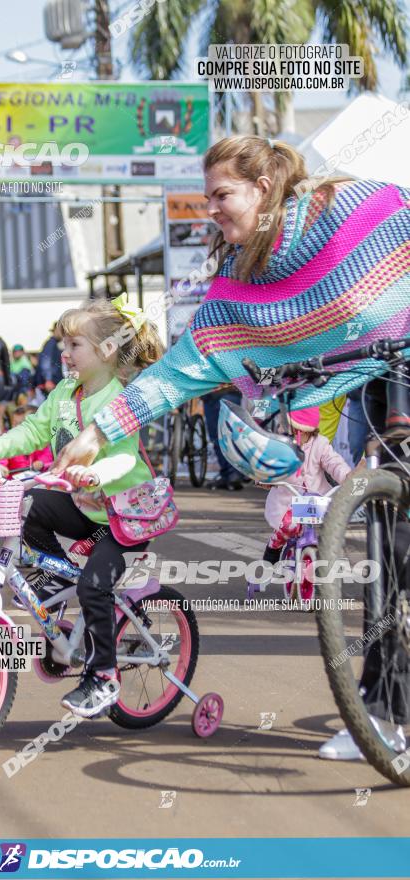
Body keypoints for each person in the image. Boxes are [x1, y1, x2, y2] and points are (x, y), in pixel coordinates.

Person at [52, 135, 410, 754]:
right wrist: (96, 430)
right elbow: (182, 368)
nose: (211, 209)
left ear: (263, 189)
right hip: (376, 389)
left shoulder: (359, 209)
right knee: (391, 558)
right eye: (207, 196)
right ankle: (386, 712)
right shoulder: (242, 285)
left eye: (222, 195)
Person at [0, 298, 163, 717]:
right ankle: (55, 581)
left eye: (74, 344)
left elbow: (127, 457)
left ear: (107, 351)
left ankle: (104, 677)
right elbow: (33, 431)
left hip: (124, 516)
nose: (64, 351)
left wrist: (97, 474)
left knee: (95, 586)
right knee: (29, 502)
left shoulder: (118, 399)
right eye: (63, 343)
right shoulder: (63, 392)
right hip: (84, 508)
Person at [259, 406, 352, 573]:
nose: (297, 437)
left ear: (311, 431)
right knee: (288, 525)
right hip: (288, 502)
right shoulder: (281, 444)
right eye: (293, 432)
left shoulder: (321, 444)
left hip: (316, 499)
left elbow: (334, 463)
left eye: (300, 433)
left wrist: (347, 477)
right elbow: (269, 465)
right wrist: (266, 478)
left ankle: (323, 559)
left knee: (332, 528)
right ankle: (274, 547)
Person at [203, 385, 244, 490]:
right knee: (216, 438)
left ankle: (234, 474)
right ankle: (227, 475)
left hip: (228, 393)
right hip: (208, 395)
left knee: (229, 435)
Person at [0, 405, 53, 475]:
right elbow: (3, 455)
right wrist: (1, 466)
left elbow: (47, 456)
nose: (16, 427)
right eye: (14, 423)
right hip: (13, 481)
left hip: (34, 479)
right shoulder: (8, 439)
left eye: (21, 424)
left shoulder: (39, 439)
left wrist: (41, 462)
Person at [34, 322, 63, 395]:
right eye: (61, 331)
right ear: (55, 330)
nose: (63, 334)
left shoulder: (53, 343)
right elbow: (45, 362)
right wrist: (48, 380)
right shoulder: (51, 343)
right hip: (50, 382)